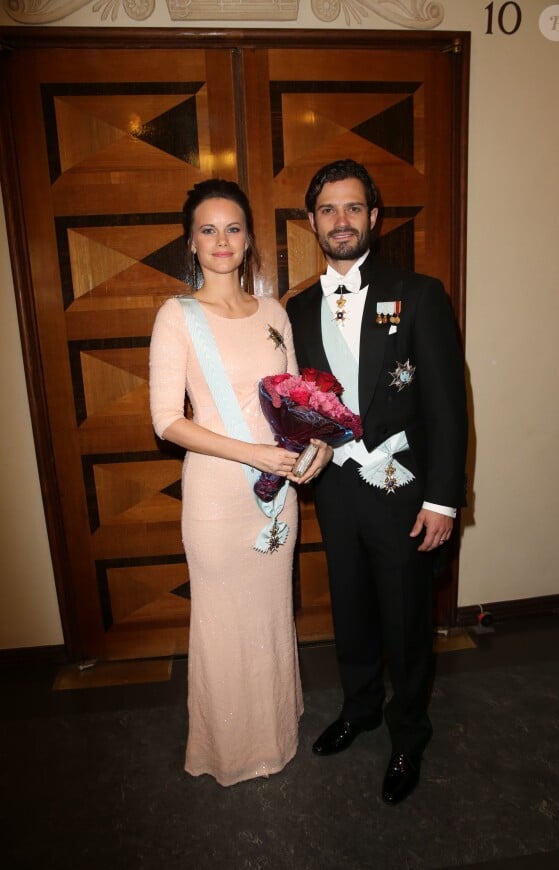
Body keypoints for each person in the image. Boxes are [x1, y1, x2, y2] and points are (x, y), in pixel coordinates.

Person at [286, 159, 468, 804]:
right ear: (312, 221)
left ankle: (408, 733)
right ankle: (360, 709)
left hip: (404, 489)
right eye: (329, 210)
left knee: (407, 617)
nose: (342, 221)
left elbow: (448, 405)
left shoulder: (418, 293)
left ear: (374, 218)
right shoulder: (297, 308)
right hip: (335, 487)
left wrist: (444, 499)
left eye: (354, 208)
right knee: (352, 608)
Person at [149, 179, 331, 787]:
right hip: (217, 497)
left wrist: (314, 450)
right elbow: (167, 421)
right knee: (224, 621)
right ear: (192, 243)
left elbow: (294, 404)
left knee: (271, 614)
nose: (221, 240)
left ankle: (275, 730)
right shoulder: (177, 316)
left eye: (232, 228)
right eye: (208, 229)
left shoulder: (274, 313)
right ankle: (229, 746)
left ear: (249, 240)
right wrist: (251, 452)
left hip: (276, 492)